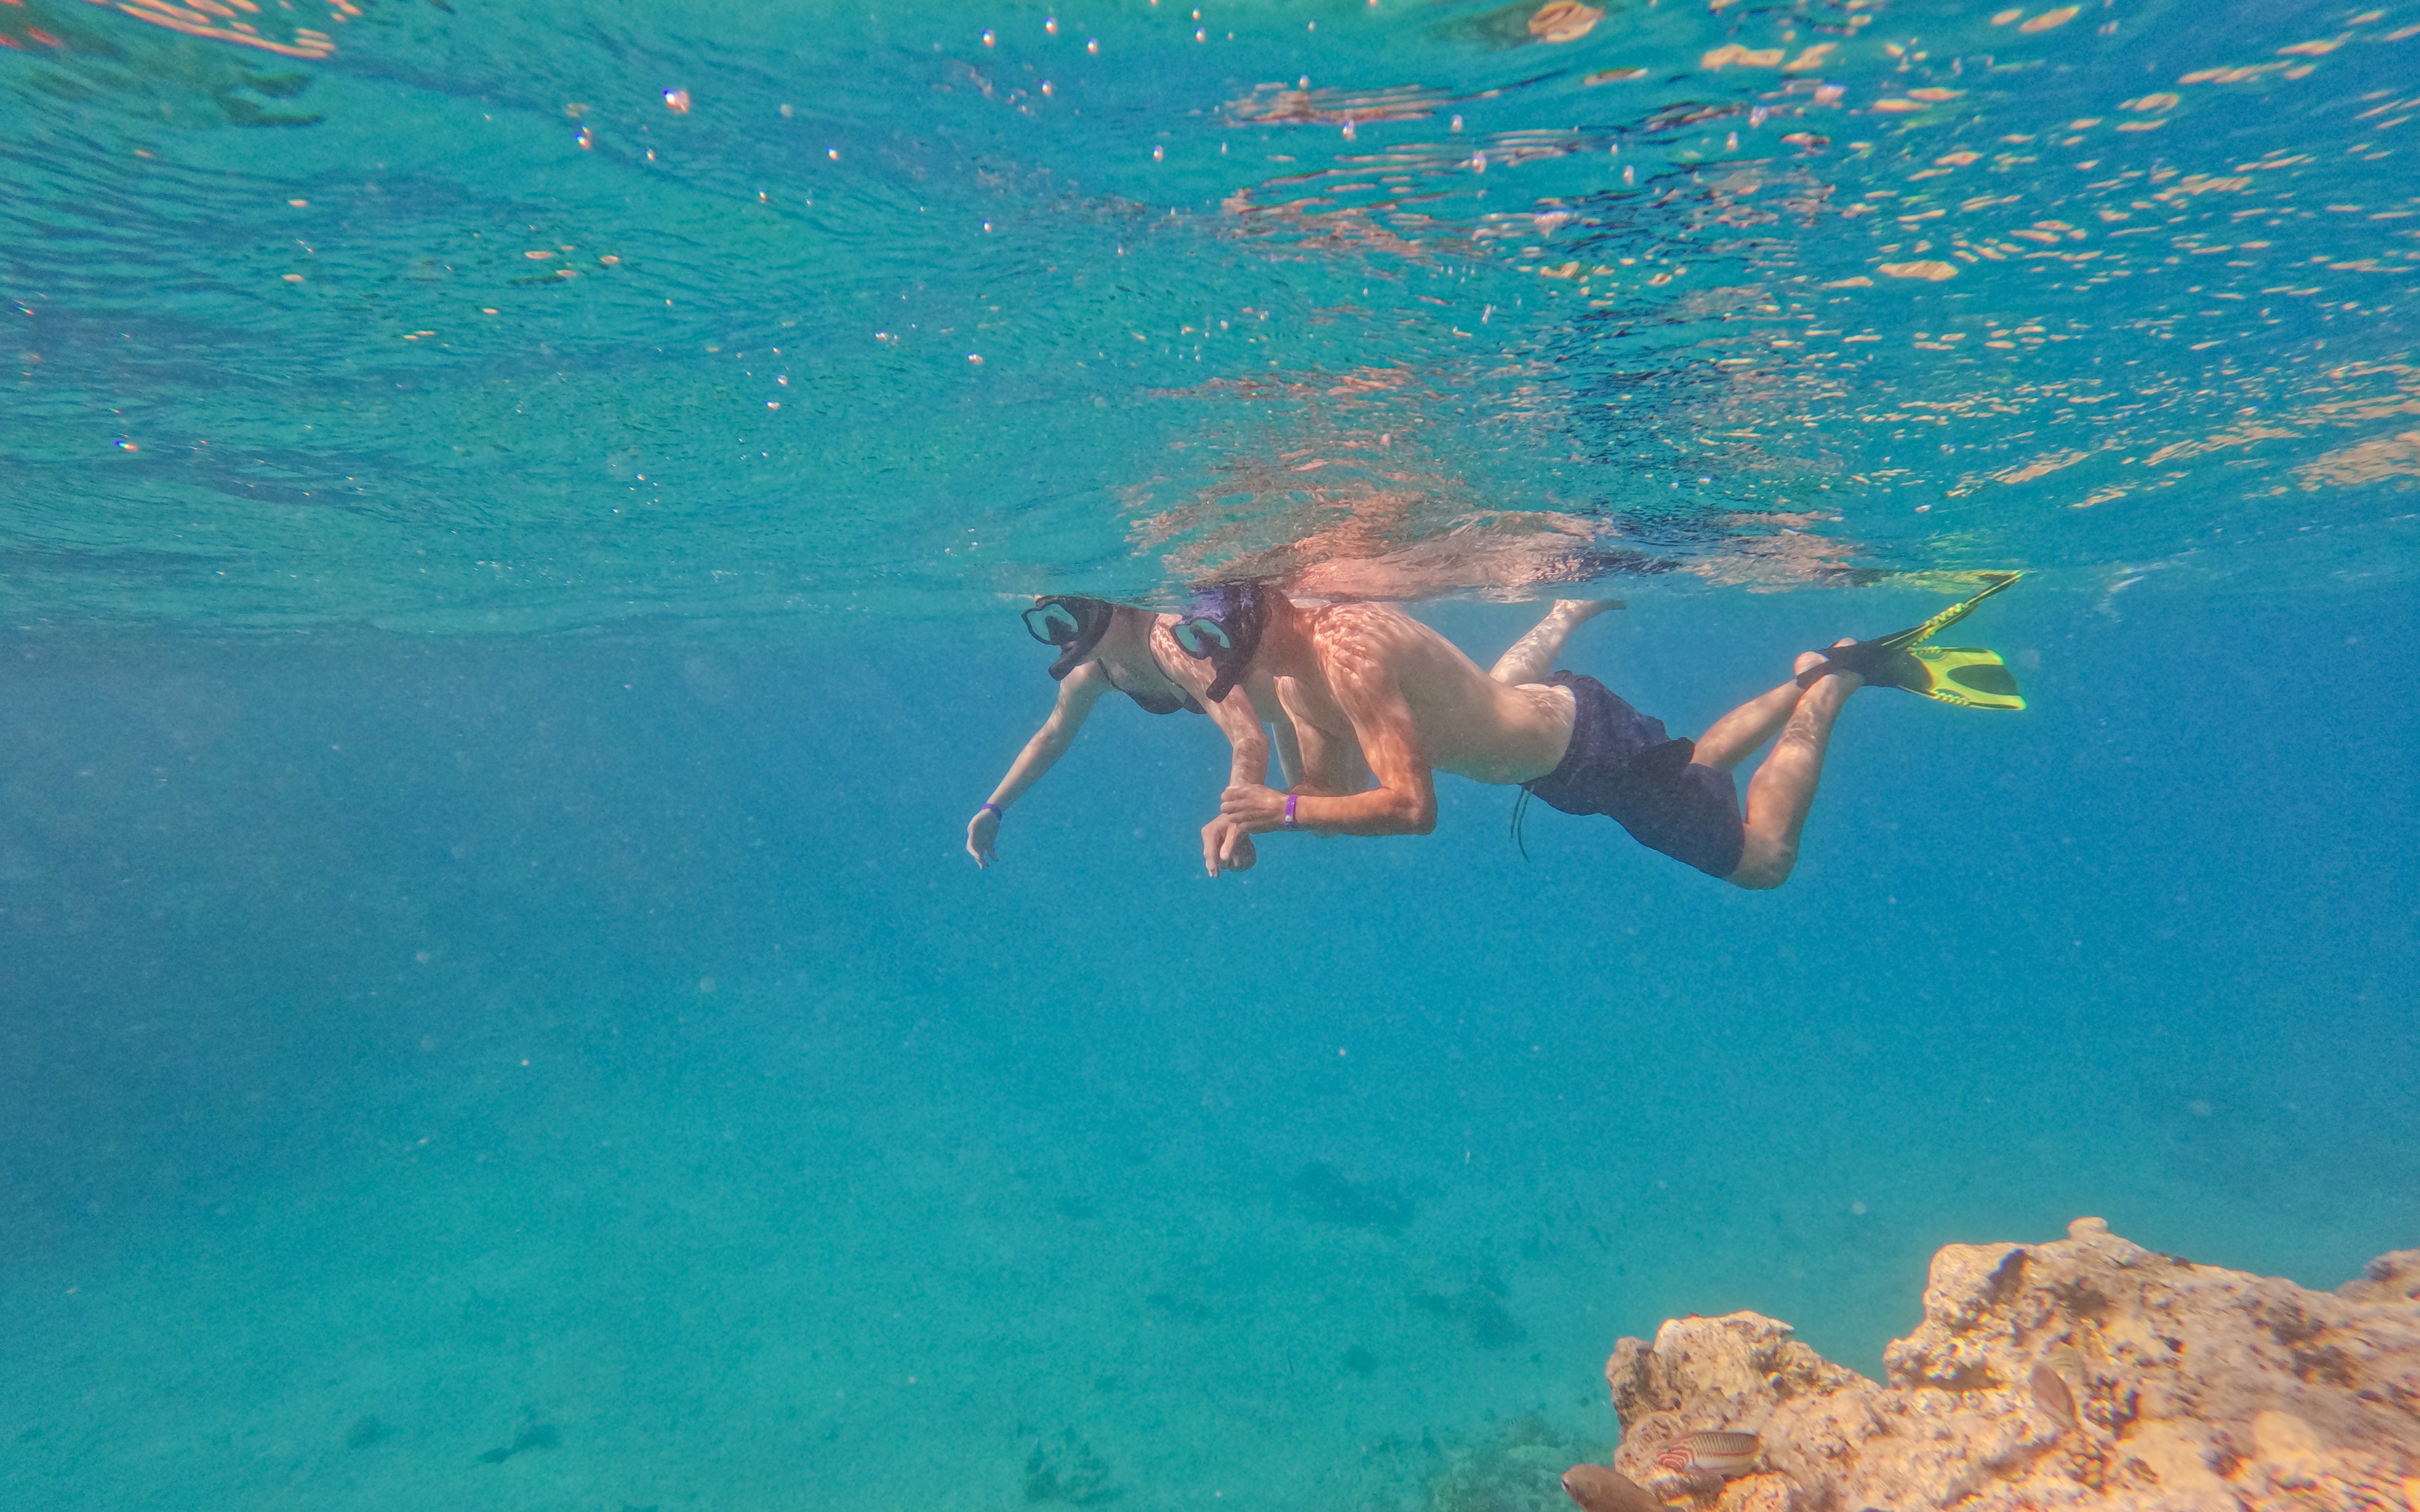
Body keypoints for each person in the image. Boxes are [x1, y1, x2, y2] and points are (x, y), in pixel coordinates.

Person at [1202, 576, 2021, 889]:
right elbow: (1324, 792)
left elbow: (1412, 808)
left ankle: (1838, 679)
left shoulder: (1346, 655)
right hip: (1563, 752)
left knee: (1763, 861)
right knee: (1696, 763)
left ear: (1271, 602)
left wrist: (1276, 812)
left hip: (1587, 752)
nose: (1236, 661)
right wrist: (1258, 821)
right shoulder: (1290, 670)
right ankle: (1812, 671)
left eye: (1241, 635)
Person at [966, 594, 1303, 875]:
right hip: (1290, 717)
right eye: (1051, 623)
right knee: (1320, 824)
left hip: (1310, 699)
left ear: (1108, 604)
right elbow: (1052, 737)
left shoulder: (1170, 641)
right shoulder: (1094, 669)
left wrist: (1236, 813)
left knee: (1326, 812)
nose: (1066, 634)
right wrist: (993, 807)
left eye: (1071, 613)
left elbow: (1248, 737)